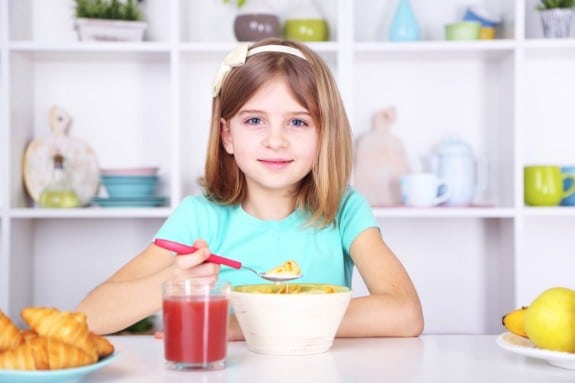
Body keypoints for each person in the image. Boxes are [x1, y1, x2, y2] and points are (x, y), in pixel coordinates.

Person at [76, 38, 424, 339]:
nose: (275, 140)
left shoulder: (344, 209)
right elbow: (88, 318)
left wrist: (245, 325)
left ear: (324, 135)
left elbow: (405, 313)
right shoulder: (199, 218)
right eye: (255, 120)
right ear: (227, 135)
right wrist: (174, 278)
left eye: (298, 122)